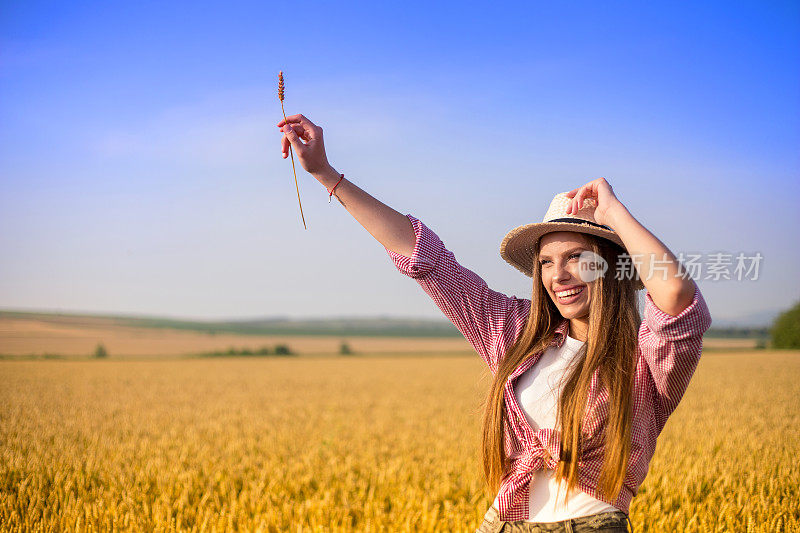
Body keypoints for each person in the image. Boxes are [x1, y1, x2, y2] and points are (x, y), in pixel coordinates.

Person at [276, 114, 712, 533]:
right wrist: (325, 174)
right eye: (546, 262)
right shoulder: (516, 332)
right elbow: (425, 260)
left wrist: (613, 212)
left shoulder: (644, 360)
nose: (558, 276)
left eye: (577, 258)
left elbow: (674, 296)